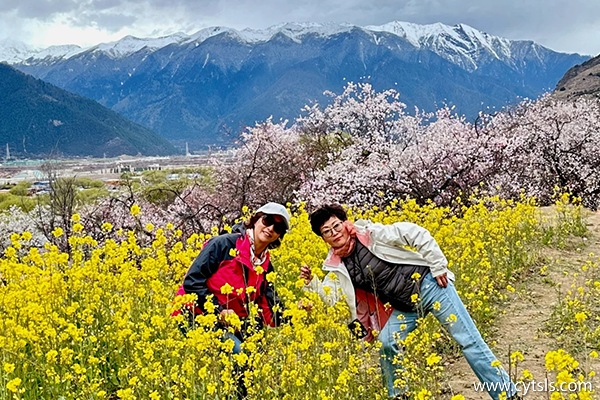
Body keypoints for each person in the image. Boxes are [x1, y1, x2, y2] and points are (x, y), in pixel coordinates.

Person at [300, 204, 519, 400]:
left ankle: (506, 394)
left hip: (430, 287)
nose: (334, 233)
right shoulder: (336, 265)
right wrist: (312, 283)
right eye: (327, 232)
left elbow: (414, 233)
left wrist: (438, 265)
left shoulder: (371, 235)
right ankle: (399, 395)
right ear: (323, 238)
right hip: (406, 307)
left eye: (336, 226)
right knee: (387, 342)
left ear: (345, 224)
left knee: (468, 340)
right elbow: (333, 297)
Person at [173, 202, 290, 397]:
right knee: (239, 353)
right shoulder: (223, 244)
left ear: (280, 235)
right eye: (267, 221)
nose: (270, 229)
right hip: (194, 314)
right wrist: (219, 311)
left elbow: (270, 310)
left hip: (232, 323)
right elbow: (192, 282)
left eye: (278, 227)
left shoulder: (266, 267)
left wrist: (298, 313)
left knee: (255, 359)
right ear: (255, 220)